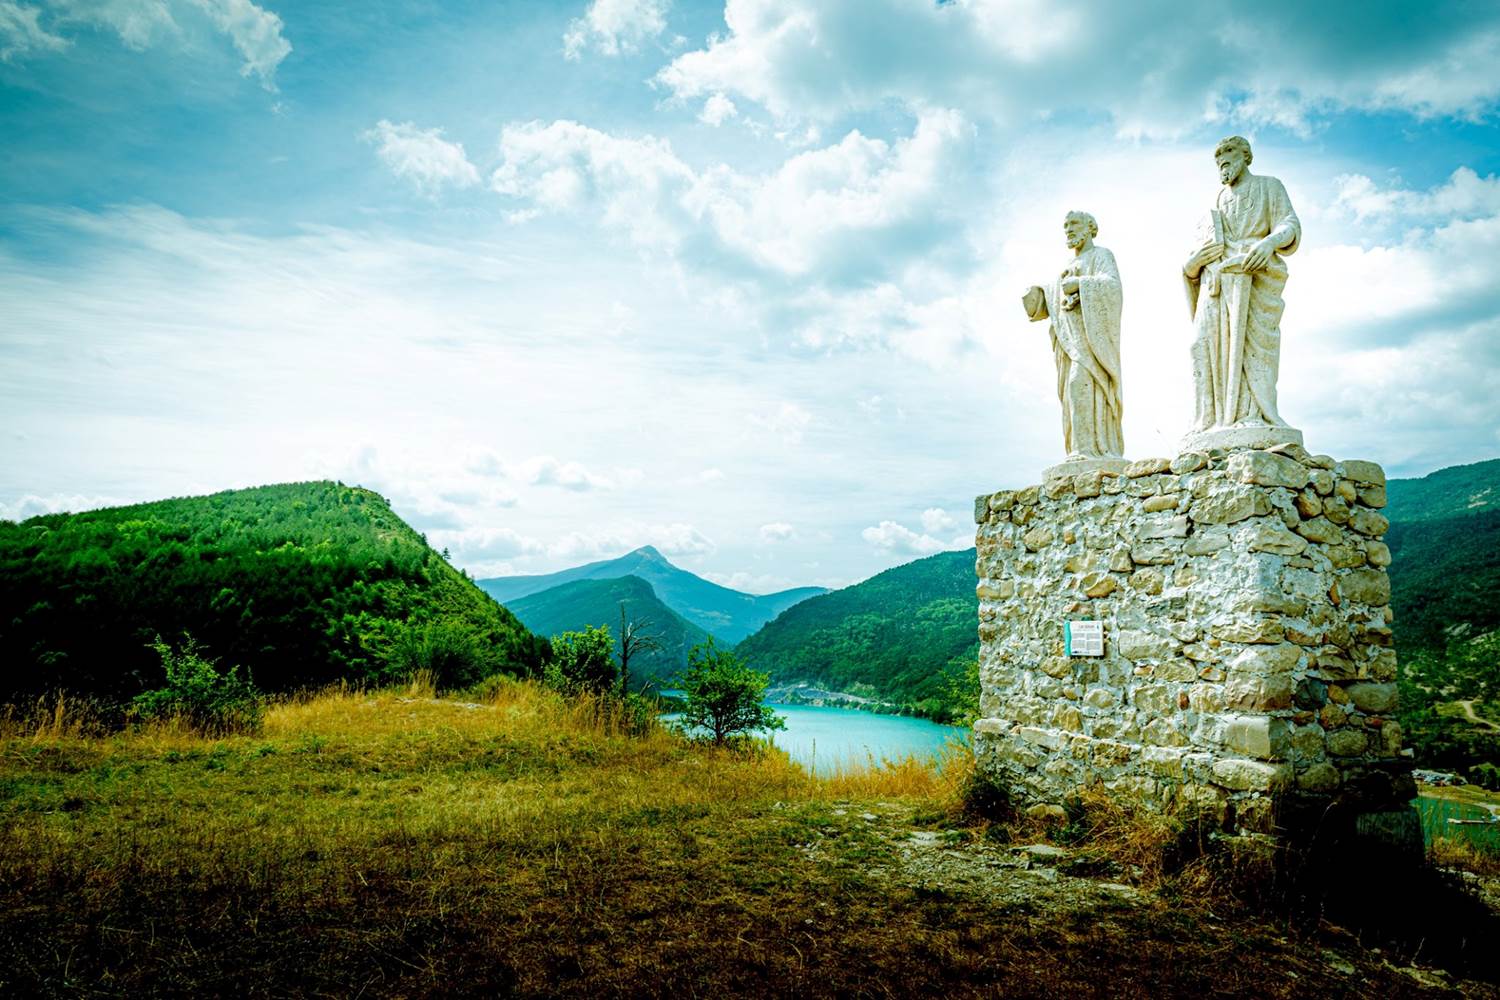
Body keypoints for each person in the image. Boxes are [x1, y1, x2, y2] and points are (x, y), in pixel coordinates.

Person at [1183, 136, 1301, 436]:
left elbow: (1289, 224)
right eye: (1218, 157)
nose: (1222, 160)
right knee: (1200, 344)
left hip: (1253, 275)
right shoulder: (1215, 202)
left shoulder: (1268, 186)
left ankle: (1252, 415)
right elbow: (1200, 246)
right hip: (1216, 282)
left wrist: (1269, 242)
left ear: (1246, 156)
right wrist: (1192, 265)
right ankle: (1210, 420)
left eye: (1228, 153)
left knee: (1252, 346)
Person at [1021, 211, 1124, 462]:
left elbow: (1112, 287)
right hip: (1070, 344)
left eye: (1074, 224)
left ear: (1090, 228)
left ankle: (1092, 450)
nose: (1068, 229)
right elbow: (1052, 300)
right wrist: (1039, 294)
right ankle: (1080, 448)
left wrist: (1080, 284)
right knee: (1070, 392)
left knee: (1081, 384)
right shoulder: (1064, 268)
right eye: (1065, 226)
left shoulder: (1101, 256)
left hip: (1091, 345)